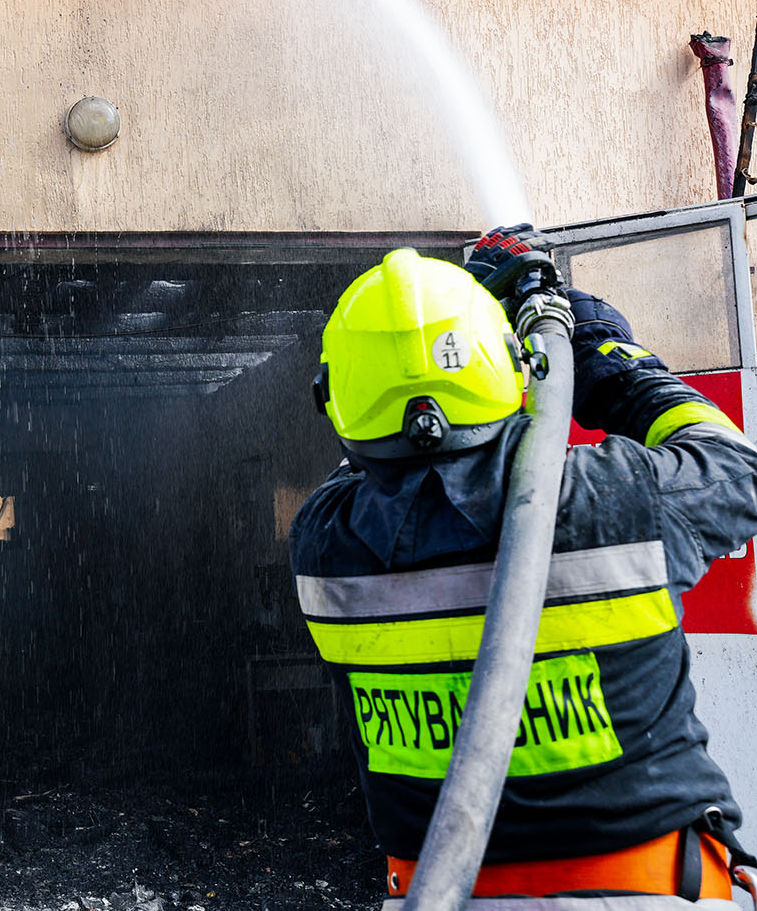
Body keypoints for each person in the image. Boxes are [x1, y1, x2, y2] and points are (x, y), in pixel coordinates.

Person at [289, 226, 757, 907]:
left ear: (338, 396)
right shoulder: (611, 499)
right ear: (504, 365)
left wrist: (435, 345)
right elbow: (733, 468)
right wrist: (596, 350)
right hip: (646, 894)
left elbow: (369, 448)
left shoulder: (325, 547)